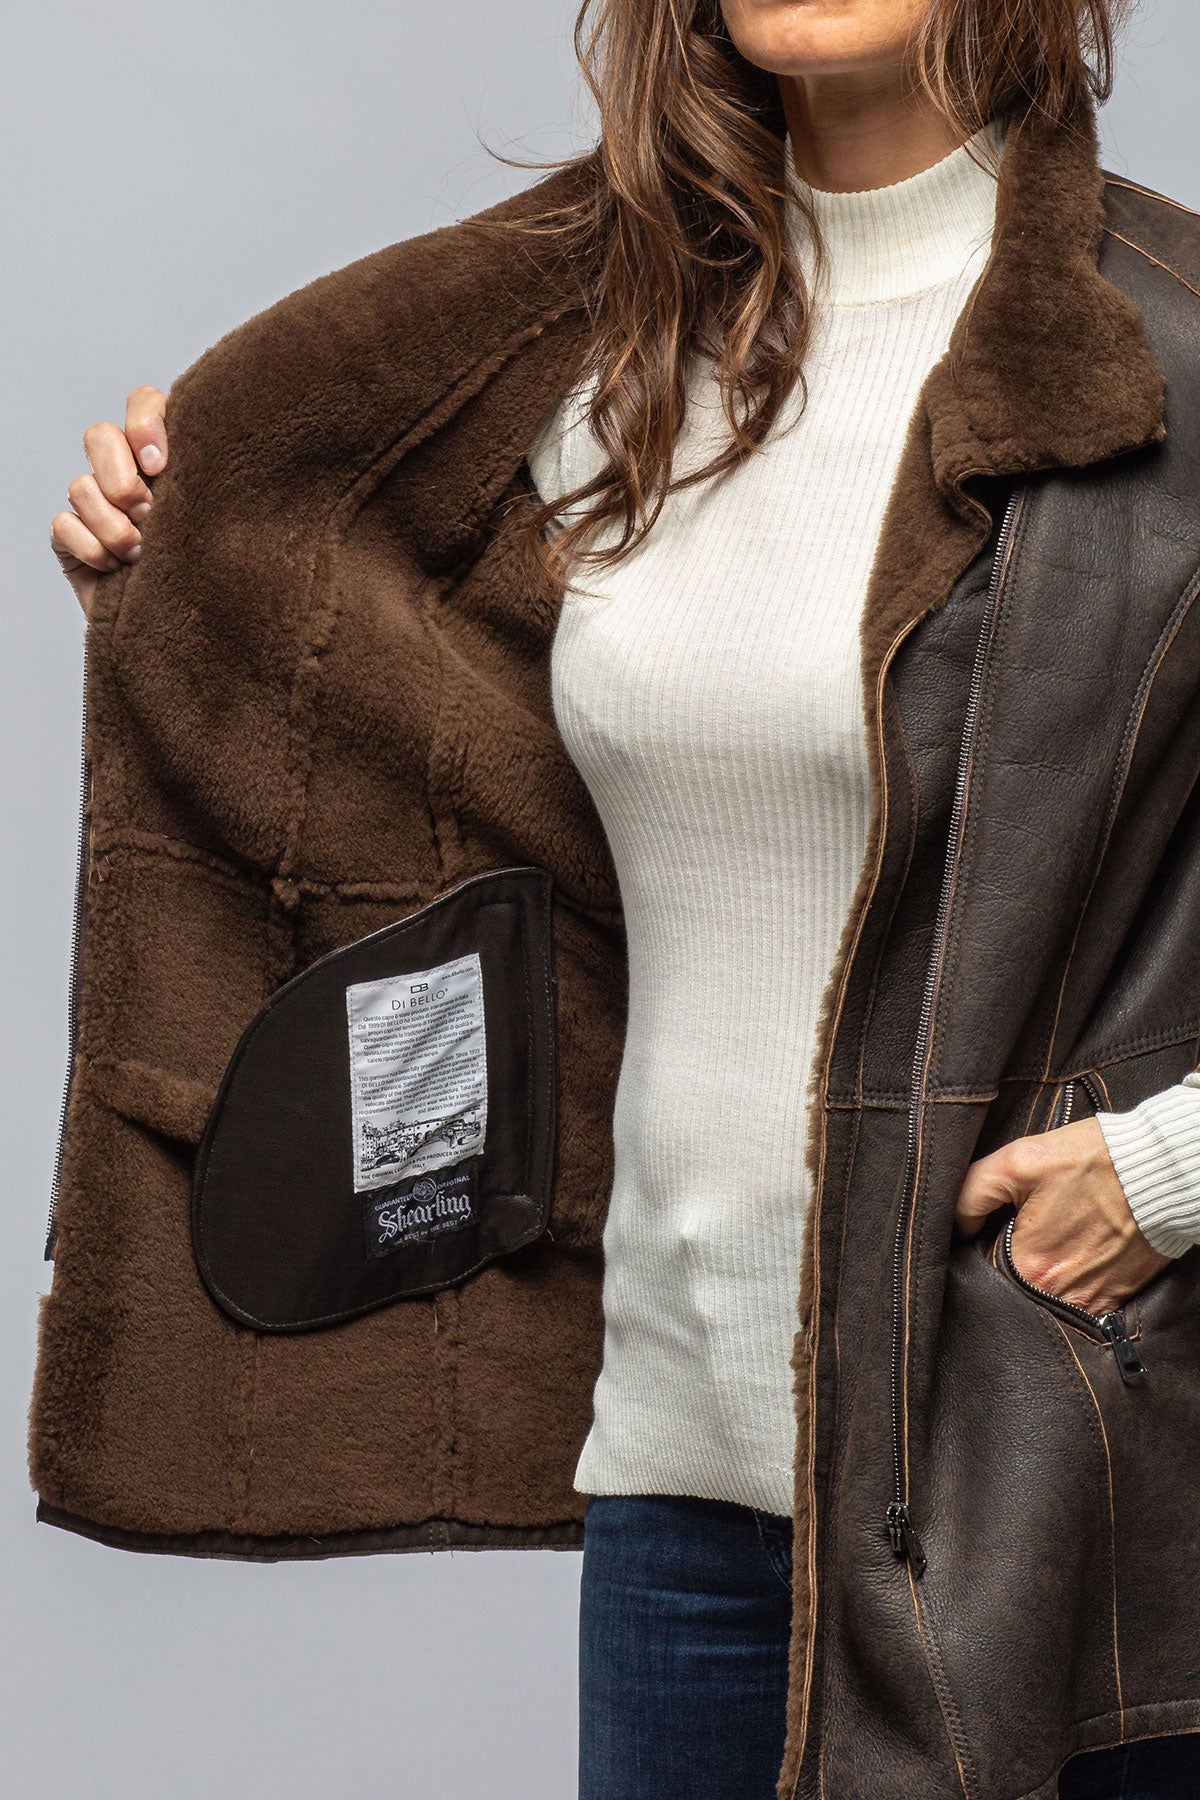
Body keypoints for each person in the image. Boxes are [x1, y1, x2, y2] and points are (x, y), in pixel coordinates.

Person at [40, 2, 1200, 1796]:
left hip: (1057, 1488)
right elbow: (411, 745)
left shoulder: (1169, 350)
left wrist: (1171, 1172)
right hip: (680, 1494)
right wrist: (185, 561)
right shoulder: (593, 352)